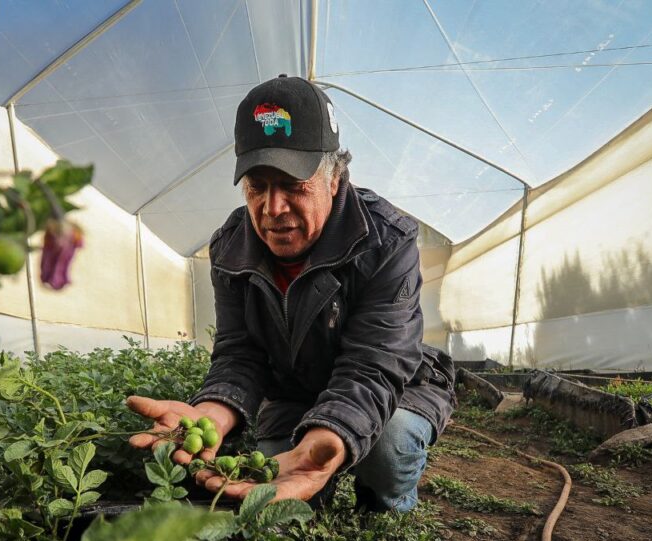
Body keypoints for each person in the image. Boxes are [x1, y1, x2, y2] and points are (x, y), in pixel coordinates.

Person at [128, 75, 455, 512]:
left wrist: (329, 435)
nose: (273, 208)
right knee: (284, 482)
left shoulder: (384, 240)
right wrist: (212, 414)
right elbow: (239, 354)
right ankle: (324, 460)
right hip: (297, 390)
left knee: (386, 445)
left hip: (395, 388)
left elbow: (373, 365)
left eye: (293, 184)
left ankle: (387, 500)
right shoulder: (230, 248)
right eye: (257, 186)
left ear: (335, 178)